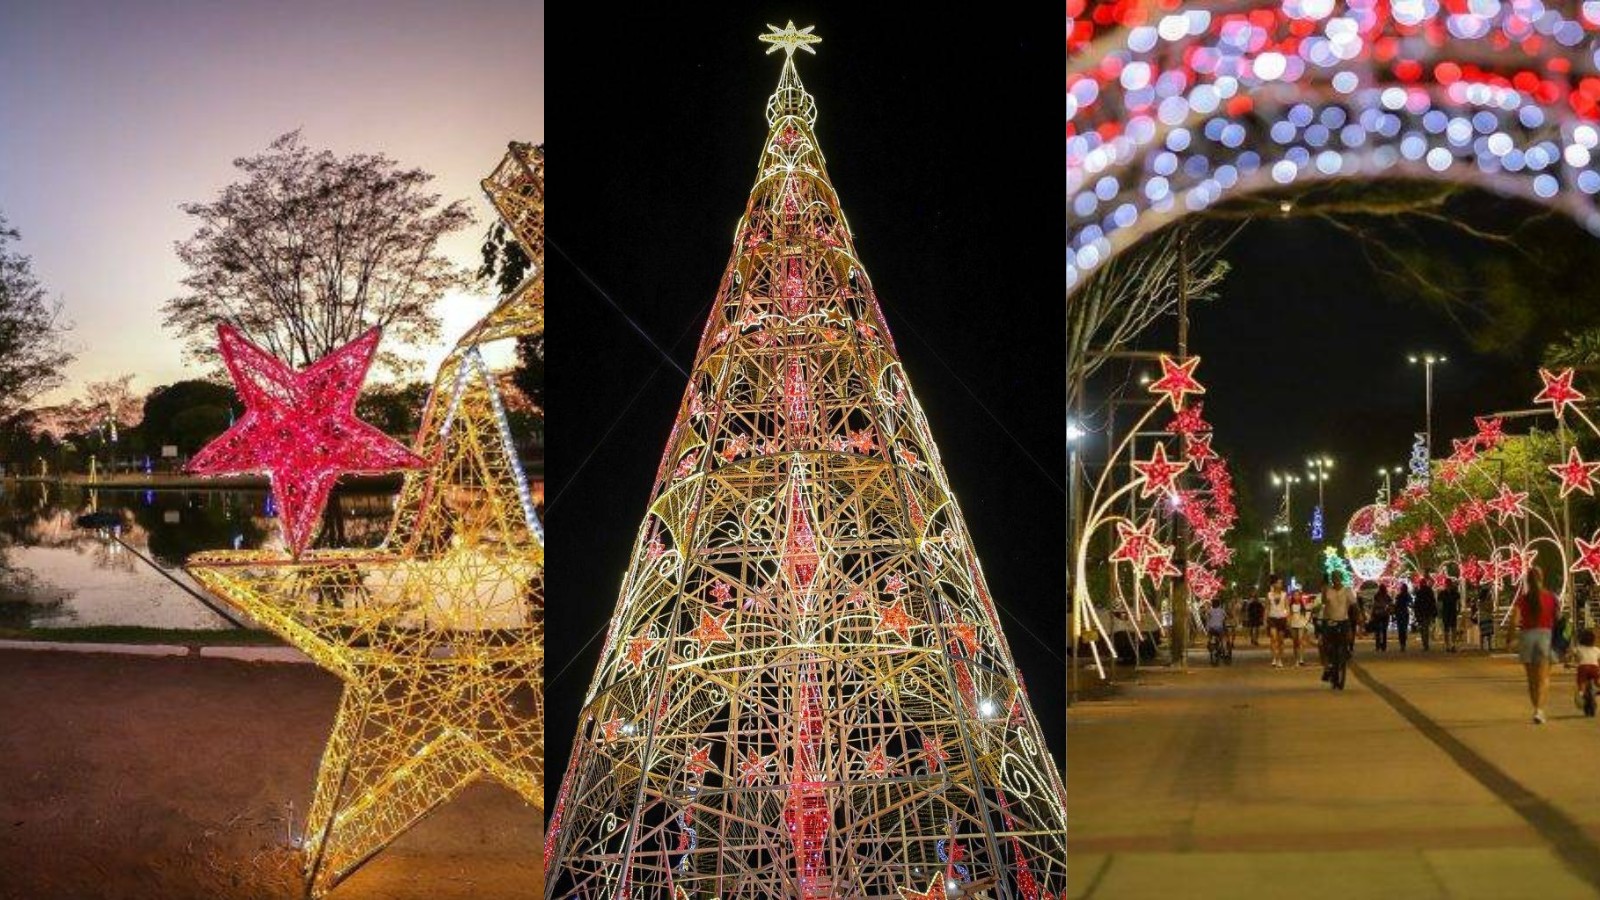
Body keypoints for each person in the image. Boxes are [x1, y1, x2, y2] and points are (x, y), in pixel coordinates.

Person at [1514, 567, 1561, 724]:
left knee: (1532, 679)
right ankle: (1539, 710)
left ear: (1527, 580)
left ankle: (1536, 707)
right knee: (1544, 678)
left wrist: (1509, 638)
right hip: (1545, 637)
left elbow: (1514, 621)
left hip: (1527, 637)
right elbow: (1558, 619)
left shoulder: (1522, 599)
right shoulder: (1552, 598)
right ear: (1542, 578)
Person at [1320, 570, 1361, 685]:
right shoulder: (1328, 590)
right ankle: (1327, 667)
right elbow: (1323, 602)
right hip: (1330, 621)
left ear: (1341, 579)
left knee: (1348, 637)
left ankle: (1346, 651)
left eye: (1338, 579)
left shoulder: (1347, 590)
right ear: (1332, 580)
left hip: (1343, 620)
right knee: (1325, 644)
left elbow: (1354, 605)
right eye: (1334, 579)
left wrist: (1359, 617)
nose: (1336, 581)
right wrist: (1324, 590)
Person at [1266, 576, 1290, 668]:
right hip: (1272, 618)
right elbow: (1267, 608)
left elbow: (1287, 606)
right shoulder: (1269, 595)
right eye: (1279, 583)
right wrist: (1265, 619)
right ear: (1274, 584)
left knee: (1281, 640)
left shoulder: (1284, 594)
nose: (1280, 585)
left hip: (1282, 618)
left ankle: (1279, 659)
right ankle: (1274, 658)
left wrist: (1288, 617)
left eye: (1281, 583)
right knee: (1274, 638)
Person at [1575, 629, 1600, 715]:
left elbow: (1574, 655)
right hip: (1594, 668)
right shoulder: (1597, 649)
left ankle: (1581, 693)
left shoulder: (1579, 648)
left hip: (1583, 668)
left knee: (1581, 682)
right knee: (1597, 682)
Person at [1415, 574, 1438, 651]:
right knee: (1426, 628)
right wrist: (1433, 612)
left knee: (1423, 628)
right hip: (1428, 612)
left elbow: (1417, 604)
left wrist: (1416, 613)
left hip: (1421, 612)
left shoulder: (1419, 592)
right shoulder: (1429, 591)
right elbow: (1433, 602)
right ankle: (1426, 643)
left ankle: (1425, 643)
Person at [1287, 586, 1309, 666]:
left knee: (1300, 641)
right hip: (1293, 624)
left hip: (1301, 624)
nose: (1296, 597)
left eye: (1298, 595)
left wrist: (1305, 623)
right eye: (1295, 595)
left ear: (1300, 596)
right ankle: (1296, 658)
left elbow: (1306, 615)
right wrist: (1288, 624)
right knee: (1295, 642)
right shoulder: (1290, 606)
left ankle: (1301, 658)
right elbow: (1289, 615)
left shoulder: (1302, 605)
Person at [1440, 576, 1461, 653]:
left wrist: (1458, 610)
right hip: (1446, 613)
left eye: (1449, 584)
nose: (1448, 585)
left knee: (1453, 629)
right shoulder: (1442, 593)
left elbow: (1458, 602)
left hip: (1452, 612)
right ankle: (1447, 645)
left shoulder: (1455, 593)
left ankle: (1453, 645)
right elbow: (1440, 604)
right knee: (1446, 630)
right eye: (1447, 584)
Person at [1370, 583, 1393, 652]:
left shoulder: (1376, 596)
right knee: (1384, 631)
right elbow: (1391, 604)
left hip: (1378, 615)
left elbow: (1374, 605)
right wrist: (1388, 609)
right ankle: (1384, 646)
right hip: (1385, 615)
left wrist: (1372, 614)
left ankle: (1378, 646)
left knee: (1378, 631)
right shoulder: (1387, 596)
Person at [1394, 582, 1414, 652]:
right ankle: (1403, 644)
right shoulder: (1407, 596)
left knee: (1400, 629)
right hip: (1405, 613)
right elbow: (1411, 604)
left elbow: (1395, 605)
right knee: (1404, 629)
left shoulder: (1399, 596)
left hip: (1399, 614)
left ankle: (1401, 644)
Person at [1477, 585, 1495, 651]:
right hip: (1483, 617)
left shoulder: (1490, 601)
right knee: (1482, 633)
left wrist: (1487, 606)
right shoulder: (1480, 601)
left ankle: (1489, 646)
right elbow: (1485, 608)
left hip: (1488, 617)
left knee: (1489, 633)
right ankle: (1481, 647)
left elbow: (1491, 608)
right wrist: (1487, 606)